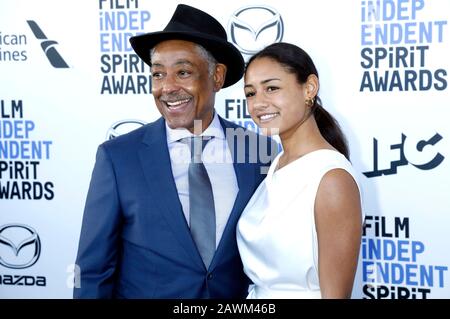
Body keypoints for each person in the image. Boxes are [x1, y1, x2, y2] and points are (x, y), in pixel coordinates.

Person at [73, 4, 276, 298]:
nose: (166, 87)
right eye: (157, 75)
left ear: (217, 76)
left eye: (183, 72)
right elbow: (92, 271)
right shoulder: (118, 158)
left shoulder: (259, 152)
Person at [236, 42, 364, 299]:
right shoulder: (277, 164)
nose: (258, 104)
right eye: (250, 93)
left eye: (272, 88)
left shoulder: (331, 180)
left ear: (309, 88)